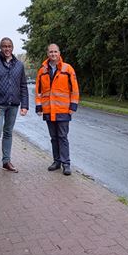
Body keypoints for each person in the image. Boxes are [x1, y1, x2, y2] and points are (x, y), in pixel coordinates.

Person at [0, 37, 29, 178]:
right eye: (4, 46)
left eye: (9, 46)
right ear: (1, 48)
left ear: (13, 47)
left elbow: (23, 85)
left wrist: (25, 105)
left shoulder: (19, 65)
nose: (7, 49)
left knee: (8, 133)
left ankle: (6, 162)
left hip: (13, 105)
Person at [35, 44, 80, 176]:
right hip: (49, 110)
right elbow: (38, 91)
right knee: (53, 138)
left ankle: (66, 164)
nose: (53, 54)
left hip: (63, 110)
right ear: (47, 54)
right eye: (50, 52)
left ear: (59, 53)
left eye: (55, 51)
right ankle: (57, 161)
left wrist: (73, 106)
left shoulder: (67, 69)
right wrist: (39, 107)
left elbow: (74, 89)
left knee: (62, 137)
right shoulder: (42, 71)